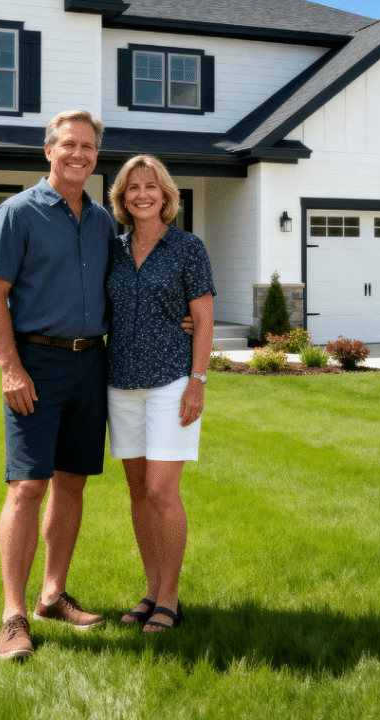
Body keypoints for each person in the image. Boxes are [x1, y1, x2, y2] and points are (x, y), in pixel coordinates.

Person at [0, 109, 116, 660]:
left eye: (87, 146)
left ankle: (53, 595)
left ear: (95, 156)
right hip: (36, 363)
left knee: (72, 482)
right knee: (27, 486)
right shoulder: (18, 214)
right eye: (68, 144)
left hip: (91, 366)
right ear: (48, 150)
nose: (78, 153)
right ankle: (13, 616)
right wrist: (11, 368)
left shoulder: (104, 221)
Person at [106, 155, 215, 634]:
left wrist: (198, 380)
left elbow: (205, 320)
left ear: (166, 195)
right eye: (133, 188)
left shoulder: (188, 248)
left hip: (173, 380)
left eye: (151, 186)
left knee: (160, 490)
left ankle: (170, 596)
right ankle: (150, 589)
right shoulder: (114, 249)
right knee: (136, 491)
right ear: (122, 198)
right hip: (120, 382)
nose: (142, 194)